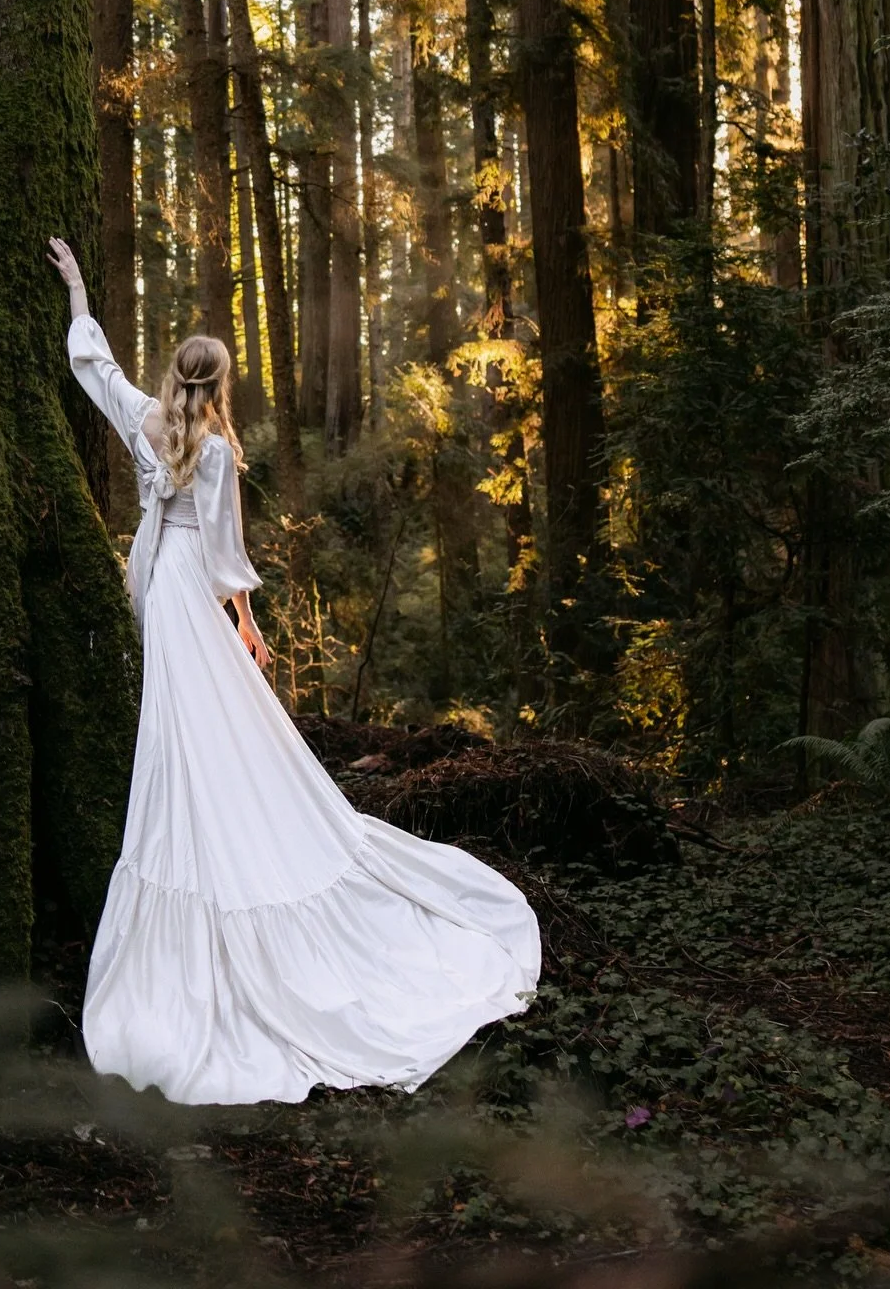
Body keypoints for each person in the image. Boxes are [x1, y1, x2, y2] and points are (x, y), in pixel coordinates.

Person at [48, 237, 541, 1107]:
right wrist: (247, 621)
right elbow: (229, 556)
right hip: (189, 593)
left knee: (180, 728)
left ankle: (196, 835)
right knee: (216, 721)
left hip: (156, 588)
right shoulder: (216, 453)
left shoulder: (147, 422)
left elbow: (97, 365)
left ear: (175, 375)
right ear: (221, 384)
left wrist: (79, 286)